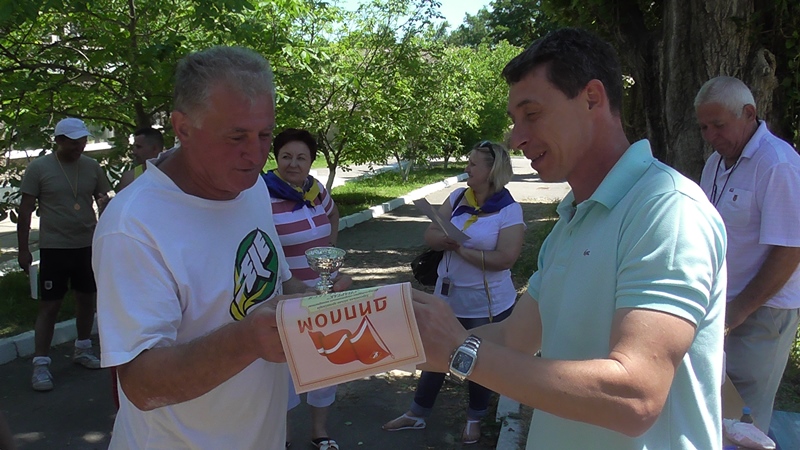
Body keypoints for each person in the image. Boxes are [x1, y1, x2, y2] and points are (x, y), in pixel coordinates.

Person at [410, 28, 728, 449]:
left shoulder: (667, 209)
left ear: (592, 98)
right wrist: (387, 336)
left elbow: (634, 397)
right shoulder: (573, 219)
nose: (516, 138)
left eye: (532, 114)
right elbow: (513, 338)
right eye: (515, 121)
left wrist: (459, 351)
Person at [93, 46, 349, 449]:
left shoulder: (252, 188)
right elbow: (141, 385)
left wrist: (320, 301)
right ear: (183, 128)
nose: (256, 153)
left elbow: (277, 286)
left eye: (265, 134)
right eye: (236, 136)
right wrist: (247, 339)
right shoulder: (133, 225)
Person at [383, 141, 524, 444]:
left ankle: (474, 418)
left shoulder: (509, 210)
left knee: (479, 360)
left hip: (485, 303)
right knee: (435, 353)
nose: (466, 168)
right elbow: (432, 233)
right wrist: (444, 241)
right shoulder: (458, 197)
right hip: (446, 296)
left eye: (473, 164)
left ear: (492, 171)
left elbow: (505, 259)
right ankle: (417, 413)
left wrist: (460, 249)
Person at [696, 76, 800, 433]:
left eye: (719, 125)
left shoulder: (778, 164)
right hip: (721, 307)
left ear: (749, 113)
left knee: (743, 421)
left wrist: (738, 311)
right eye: (704, 127)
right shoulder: (715, 162)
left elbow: (790, 250)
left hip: (761, 312)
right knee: (713, 407)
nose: (711, 136)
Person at [17, 117, 112, 392]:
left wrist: (106, 211)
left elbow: (105, 200)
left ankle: (83, 348)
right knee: (50, 305)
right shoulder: (39, 168)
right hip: (55, 246)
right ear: (58, 141)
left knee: (87, 299)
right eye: (73, 143)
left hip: (87, 244)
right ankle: (41, 363)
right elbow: (25, 211)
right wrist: (23, 250)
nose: (79, 147)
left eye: (82, 142)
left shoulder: (92, 166)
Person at [263, 128, 341, 450]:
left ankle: (319, 432)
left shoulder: (315, 190)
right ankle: (282, 437)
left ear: (311, 161)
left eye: (301, 158)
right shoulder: (262, 193)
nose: (293, 164)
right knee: (284, 369)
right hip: (286, 297)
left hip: (325, 294)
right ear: (276, 158)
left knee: (326, 361)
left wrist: (330, 253)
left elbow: (333, 215)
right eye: (286, 156)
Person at [116, 127, 164, 191]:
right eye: (134, 147)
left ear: (155, 148)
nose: (134, 152)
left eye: (139, 147)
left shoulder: (173, 174)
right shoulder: (129, 178)